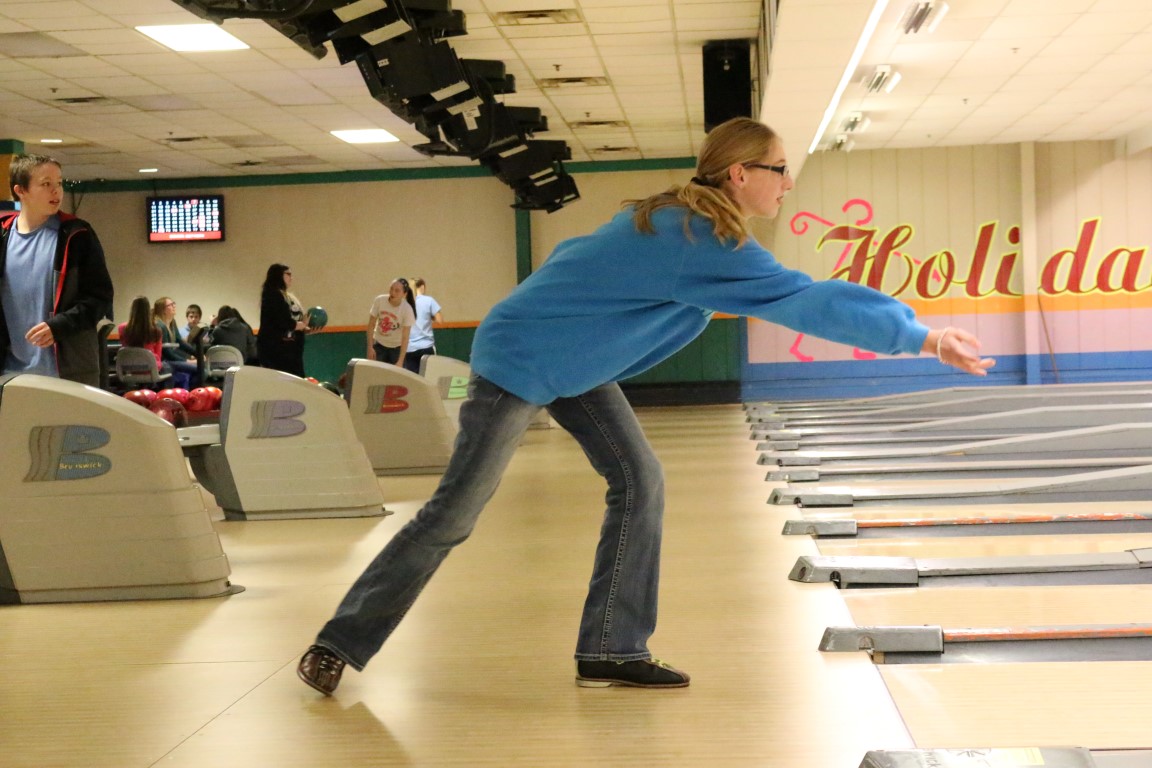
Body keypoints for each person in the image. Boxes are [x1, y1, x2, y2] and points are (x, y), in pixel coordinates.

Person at [296, 117, 995, 696]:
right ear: (739, 173)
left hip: (575, 359)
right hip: (525, 357)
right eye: (780, 169)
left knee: (639, 480)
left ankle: (612, 646)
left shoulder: (688, 223)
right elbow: (805, 300)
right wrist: (923, 337)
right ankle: (337, 643)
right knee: (455, 512)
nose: (789, 183)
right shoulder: (697, 236)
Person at [0, 153, 114, 387]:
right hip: (10, 375)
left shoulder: (77, 235)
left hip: (68, 375)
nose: (56, 191)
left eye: (60, 183)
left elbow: (100, 298)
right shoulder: (3, 236)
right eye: (46, 184)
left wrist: (59, 326)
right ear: (20, 190)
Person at [258, 263, 308, 376]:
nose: (291, 278)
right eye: (288, 274)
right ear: (278, 275)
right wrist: (300, 325)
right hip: (278, 350)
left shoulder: (287, 296)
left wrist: (304, 328)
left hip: (291, 350)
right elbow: (283, 321)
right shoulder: (272, 294)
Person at [366, 277, 416, 366]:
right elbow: (371, 324)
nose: (393, 292)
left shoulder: (407, 309)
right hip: (379, 345)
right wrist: (370, 347)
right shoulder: (379, 300)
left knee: (396, 373)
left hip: (396, 348)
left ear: (404, 294)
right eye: (391, 289)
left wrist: (400, 361)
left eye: (397, 291)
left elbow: (405, 337)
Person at [152, 296, 198, 389]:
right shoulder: (159, 325)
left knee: (199, 368)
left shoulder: (172, 322)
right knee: (201, 370)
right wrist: (187, 361)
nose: (174, 306)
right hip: (165, 361)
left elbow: (179, 341)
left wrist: (197, 354)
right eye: (171, 305)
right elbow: (166, 353)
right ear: (163, 310)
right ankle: (191, 394)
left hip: (171, 360)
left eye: (174, 304)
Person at [403, 277, 443, 373]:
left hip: (409, 348)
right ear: (422, 287)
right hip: (426, 346)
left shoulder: (404, 303)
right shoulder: (429, 300)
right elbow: (440, 320)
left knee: (412, 378)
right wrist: (430, 316)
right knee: (429, 376)